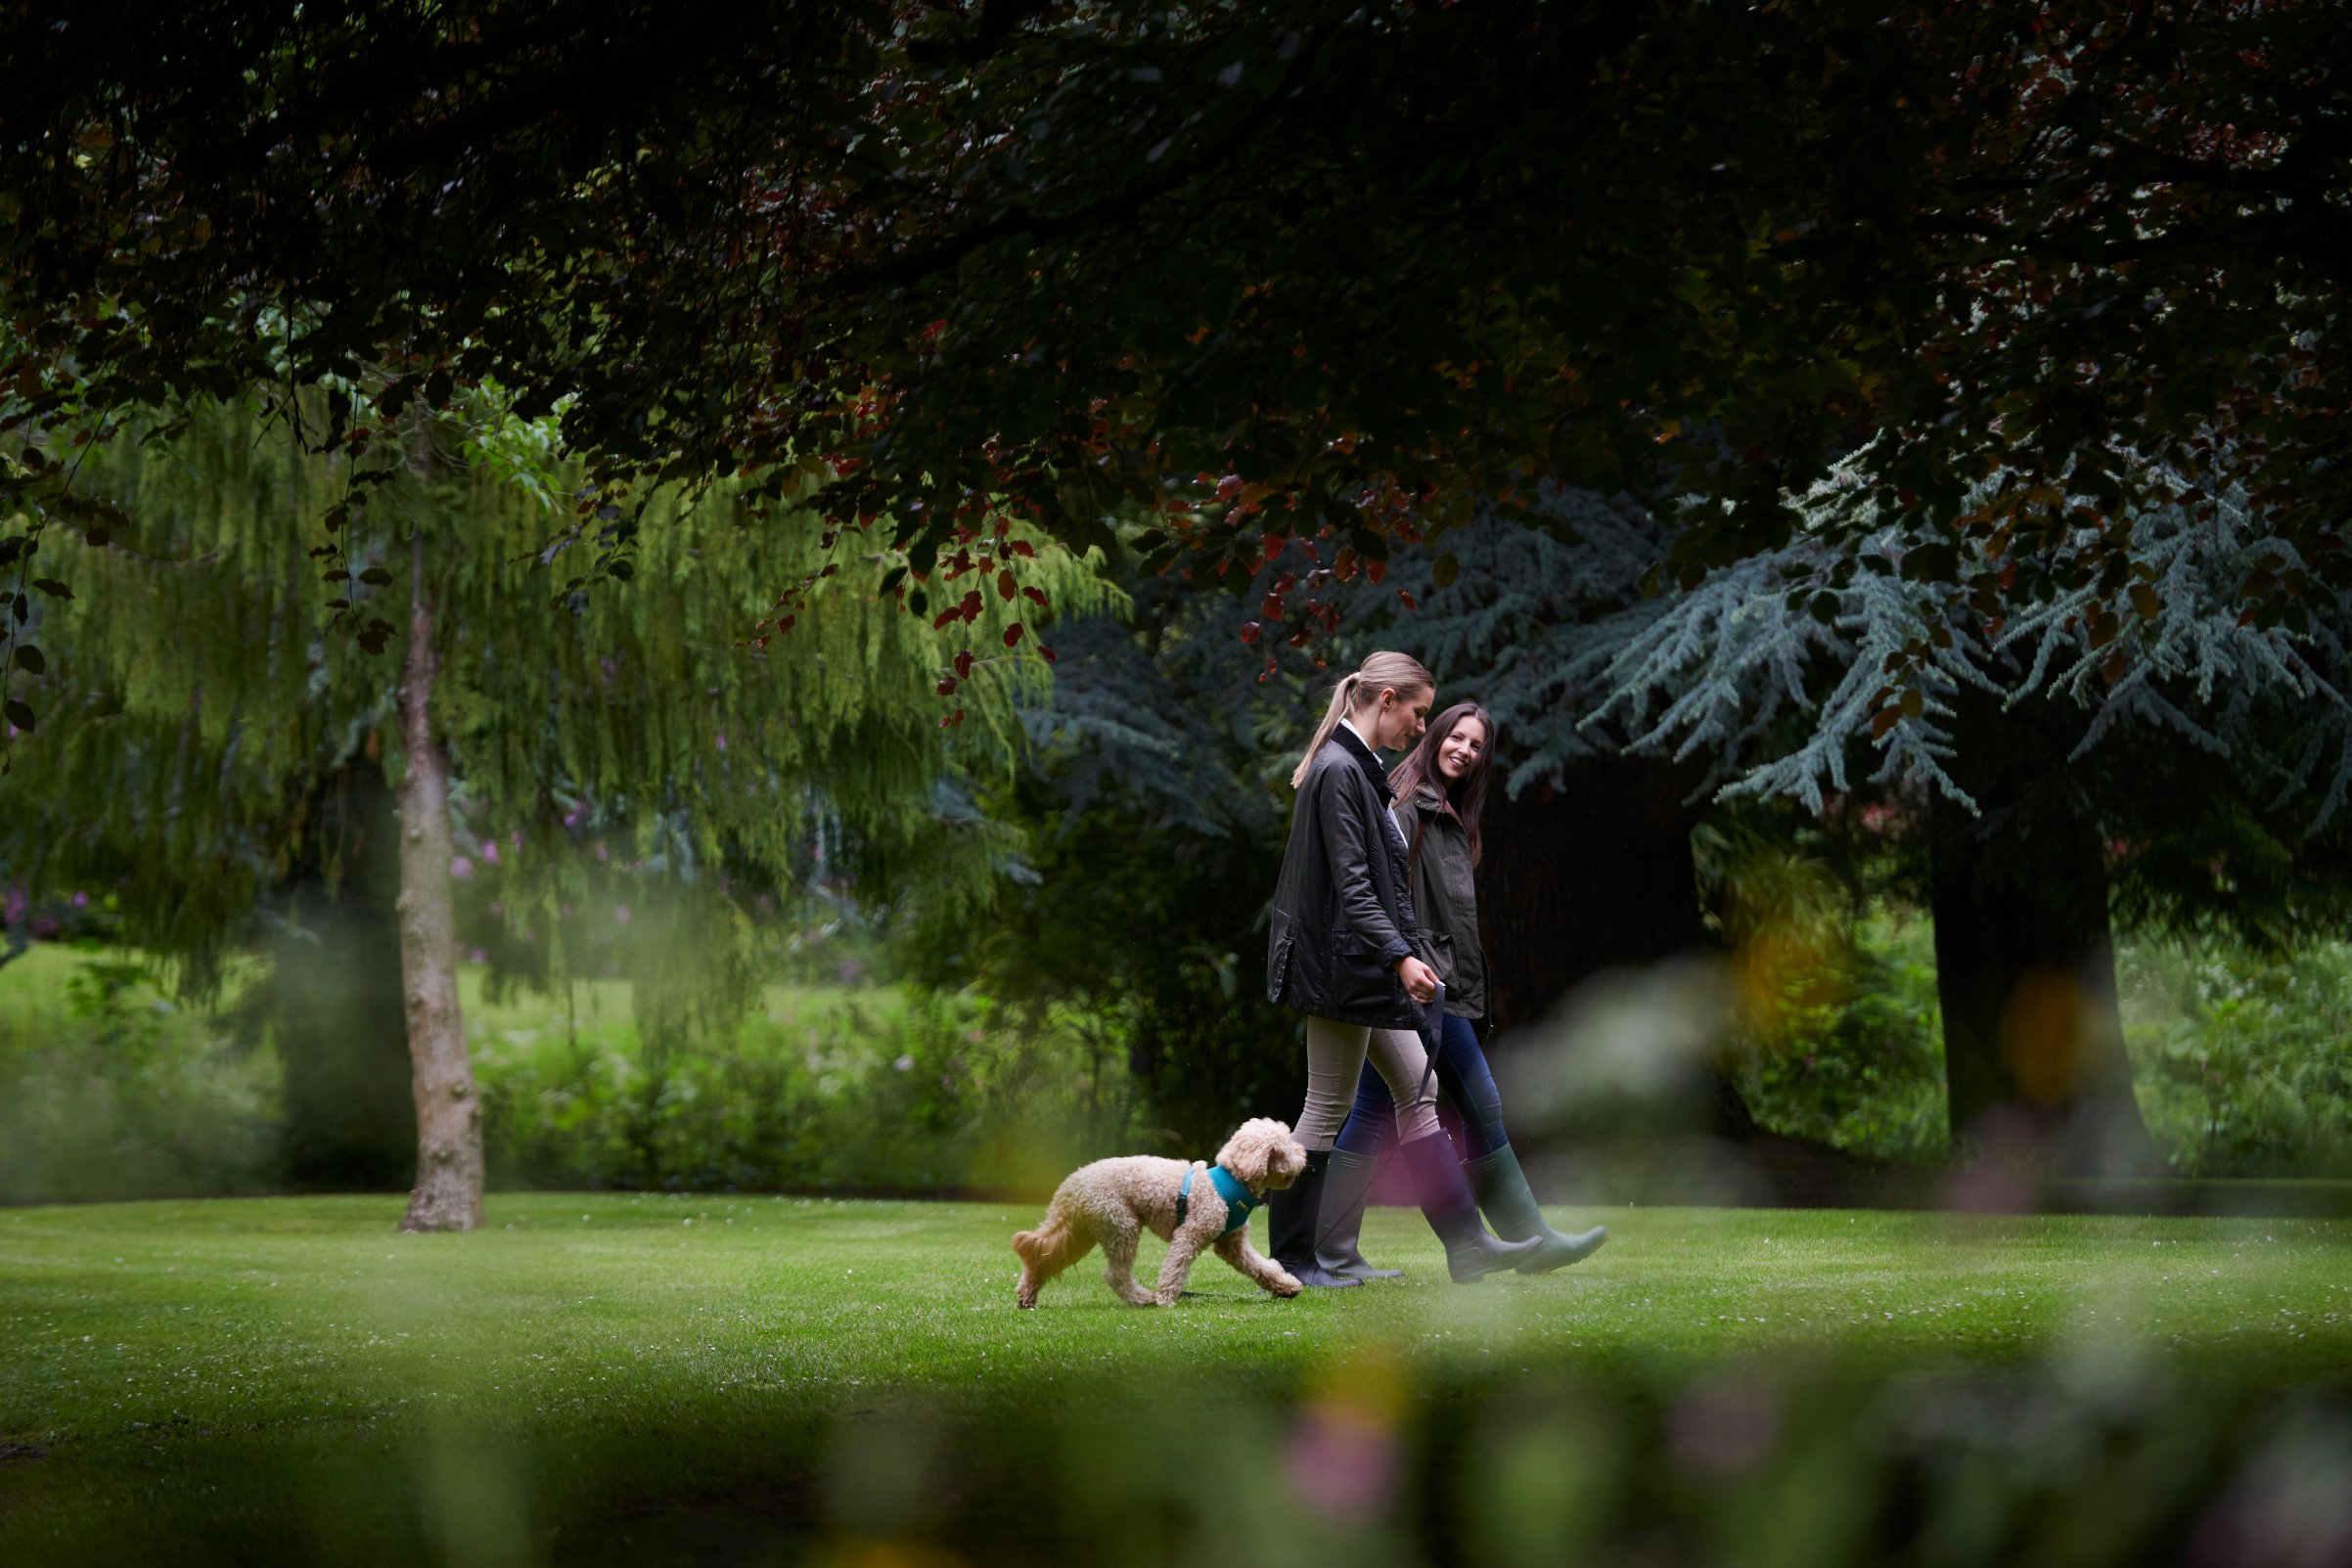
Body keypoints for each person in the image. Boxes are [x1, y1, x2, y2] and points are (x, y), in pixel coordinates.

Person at [1264, 653, 1539, 1288]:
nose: (1422, 727)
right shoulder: (1339, 769)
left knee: (1418, 1087)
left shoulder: (1360, 768)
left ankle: (1466, 1245)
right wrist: (1404, 955)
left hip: (1362, 969)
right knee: (1326, 1107)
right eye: (1418, 713)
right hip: (1341, 972)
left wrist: (1397, 954)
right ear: (1387, 699)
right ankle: (1294, 1259)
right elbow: (1356, 889)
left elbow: (1376, 888)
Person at [1311, 701, 1609, 1280]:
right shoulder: (1408, 805)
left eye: (1477, 746)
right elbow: (1377, 893)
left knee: (1373, 1111)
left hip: (1424, 982)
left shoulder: (1441, 808)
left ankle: (1333, 1253)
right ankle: (1527, 1238)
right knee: (1480, 1102)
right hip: (1419, 984)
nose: (1465, 751)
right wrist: (1406, 963)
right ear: (1437, 735)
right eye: (1458, 737)